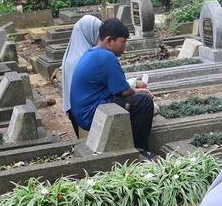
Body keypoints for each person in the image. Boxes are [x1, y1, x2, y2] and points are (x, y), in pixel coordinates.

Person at [69, 18, 157, 155]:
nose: (125, 45)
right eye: (123, 41)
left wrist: (136, 89)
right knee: (144, 102)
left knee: (137, 98)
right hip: (91, 114)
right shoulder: (106, 57)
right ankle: (139, 151)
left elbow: (119, 89)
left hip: (82, 112)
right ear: (109, 41)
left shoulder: (92, 52)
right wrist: (141, 92)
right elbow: (125, 91)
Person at [60, 15, 101, 136]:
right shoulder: (83, 58)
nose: (100, 38)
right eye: (98, 34)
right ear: (89, 33)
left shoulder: (72, 53)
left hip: (75, 111)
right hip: (84, 114)